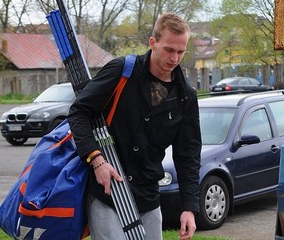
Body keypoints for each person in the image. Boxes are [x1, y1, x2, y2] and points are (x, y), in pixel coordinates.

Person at [68, 12, 201, 240]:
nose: (174, 58)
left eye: (181, 51)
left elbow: (188, 155)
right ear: (153, 42)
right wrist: (97, 160)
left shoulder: (185, 97)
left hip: (148, 195)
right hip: (109, 190)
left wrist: (189, 207)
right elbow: (79, 112)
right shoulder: (122, 72)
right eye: (169, 49)